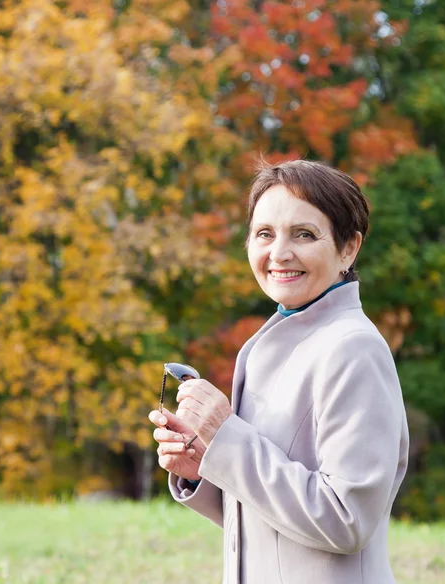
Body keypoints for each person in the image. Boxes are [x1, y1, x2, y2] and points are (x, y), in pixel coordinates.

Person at [148, 159, 409, 584]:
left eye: (304, 234)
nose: (279, 253)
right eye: (265, 234)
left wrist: (226, 436)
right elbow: (274, 525)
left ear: (348, 248)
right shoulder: (267, 347)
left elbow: (346, 520)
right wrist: (205, 468)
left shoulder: (353, 349)